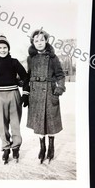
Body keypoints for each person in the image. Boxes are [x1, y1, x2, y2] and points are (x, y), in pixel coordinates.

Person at [0, 35, 29, 164]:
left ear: (8, 49)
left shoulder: (14, 62)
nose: (2, 50)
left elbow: (25, 77)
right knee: (1, 125)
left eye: (5, 47)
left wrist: (25, 94)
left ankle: (15, 147)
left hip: (13, 95)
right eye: (0, 47)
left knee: (15, 123)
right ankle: (5, 148)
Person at [26, 29, 66, 164]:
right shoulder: (30, 58)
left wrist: (60, 87)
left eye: (42, 40)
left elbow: (60, 75)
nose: (39, 43)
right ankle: (42, 148)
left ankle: (51, 147)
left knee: (50, 122)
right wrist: (25, 90)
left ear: (46, 41)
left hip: (49, 93)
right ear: (33, 42)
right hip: (36, 94)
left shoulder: (53, 58)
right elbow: (28, 75)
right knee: (39, 123)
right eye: (36, 40)